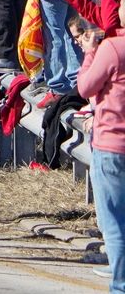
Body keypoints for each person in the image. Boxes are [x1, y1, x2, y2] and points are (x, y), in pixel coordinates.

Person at [73, 15, 125, 291]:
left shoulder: (113, 48)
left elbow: (85, 87)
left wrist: (91, 52)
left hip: (113, 143)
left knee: (115, 222)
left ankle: (121, 285)